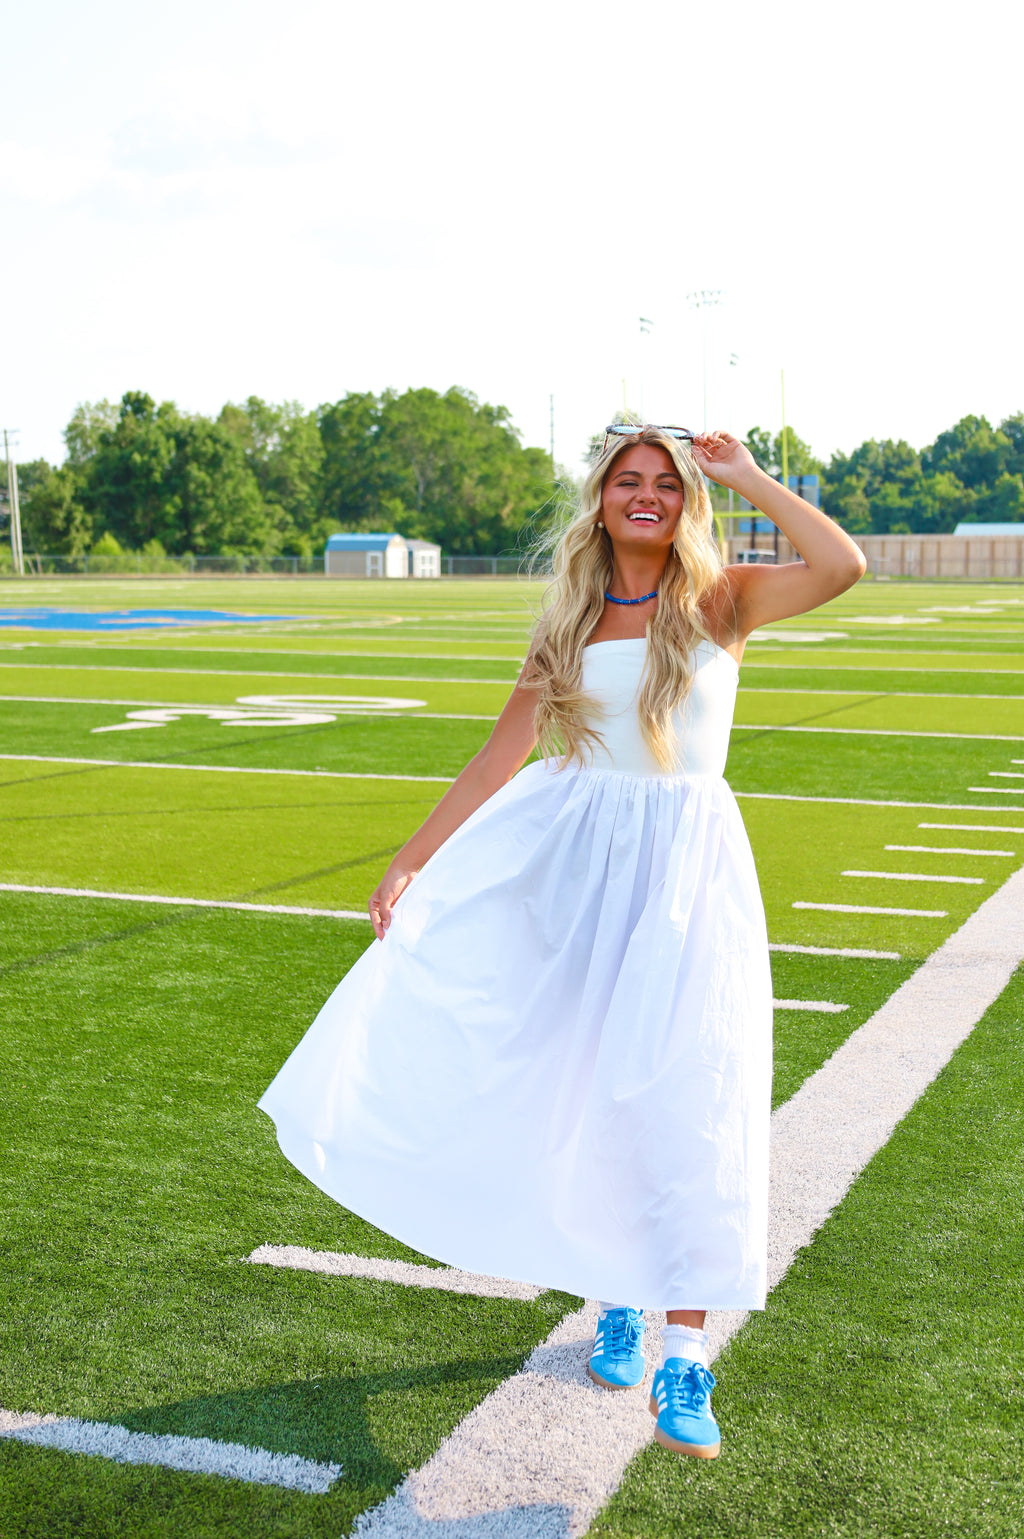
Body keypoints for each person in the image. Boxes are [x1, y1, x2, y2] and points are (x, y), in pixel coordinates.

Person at [258, 425, 866, 1460]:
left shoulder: (723, 602)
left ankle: (685, 1356)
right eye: (626, 481)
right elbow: (498, 758)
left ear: (686, 502)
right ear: (598, 501)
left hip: (685, 875)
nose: (645, 496)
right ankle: (617, 1293)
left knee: (688, 1091)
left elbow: (842, 565)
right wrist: (410, 859)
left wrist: (745, 474)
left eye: (663, 484)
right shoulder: (568, 622)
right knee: (586, 1089)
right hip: (572, 877)